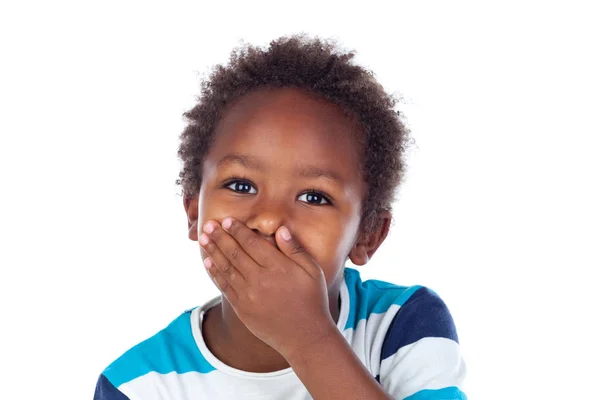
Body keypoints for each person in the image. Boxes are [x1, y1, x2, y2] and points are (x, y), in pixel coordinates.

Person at [94, 34, 467, 400]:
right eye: (241, 186)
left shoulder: (403, 325)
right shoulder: (136, 387)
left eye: (313, 196)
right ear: (193, 212)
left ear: (367, 234)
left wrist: (307, 338)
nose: (269, 220)